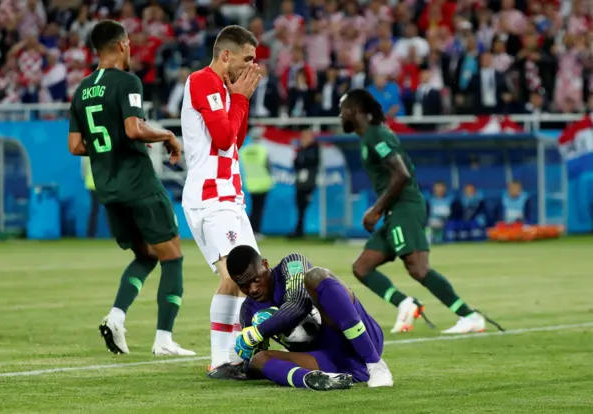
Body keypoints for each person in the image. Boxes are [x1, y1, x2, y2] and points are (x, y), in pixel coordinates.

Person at [67, 19, 194, 356]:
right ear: (123, 44)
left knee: (146, 255)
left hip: (109, 189)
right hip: (138, 184)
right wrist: (167, 135)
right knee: (172, 256)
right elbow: (134, 129)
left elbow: (76, 146)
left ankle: (116, 317)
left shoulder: (81, 90)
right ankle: (164, 339)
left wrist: (106, 147)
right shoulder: (127, 81)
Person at [339, 89, 504, 334]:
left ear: (353, 111)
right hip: (395, 211)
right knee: (362, 267)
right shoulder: (371, 137)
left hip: (405, 207)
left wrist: (376, 210)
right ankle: (406, 304)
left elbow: (402, 174)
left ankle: (469, 316)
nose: (340, 117)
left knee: (418, 268)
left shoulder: (376, 136)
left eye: (342, 111)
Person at [179, 25, 262, 374]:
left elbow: (235, 140)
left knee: (254, 277)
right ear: (225, 55)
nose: (251, 67)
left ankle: (236, 355)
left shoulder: (226, 90)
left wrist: (240, 97)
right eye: (247, 59)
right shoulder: (202, 81)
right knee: (235, 275)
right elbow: (224, 137)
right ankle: (220, 360)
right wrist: (240, 98)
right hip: (210, 198)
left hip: (231, 196)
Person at [214, 245, 393, 390]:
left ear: (265, 264)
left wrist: (257, 332)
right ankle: (316, 380)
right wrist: (242, 359)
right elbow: (254, 364)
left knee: (316, 276)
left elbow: (299, 304)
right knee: (259, 359)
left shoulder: (292, 265)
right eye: (243, 285)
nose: (252, 289)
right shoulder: (248, 310)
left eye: (255, 279)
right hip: (325, 359)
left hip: (361, 338)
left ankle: (376, 364)